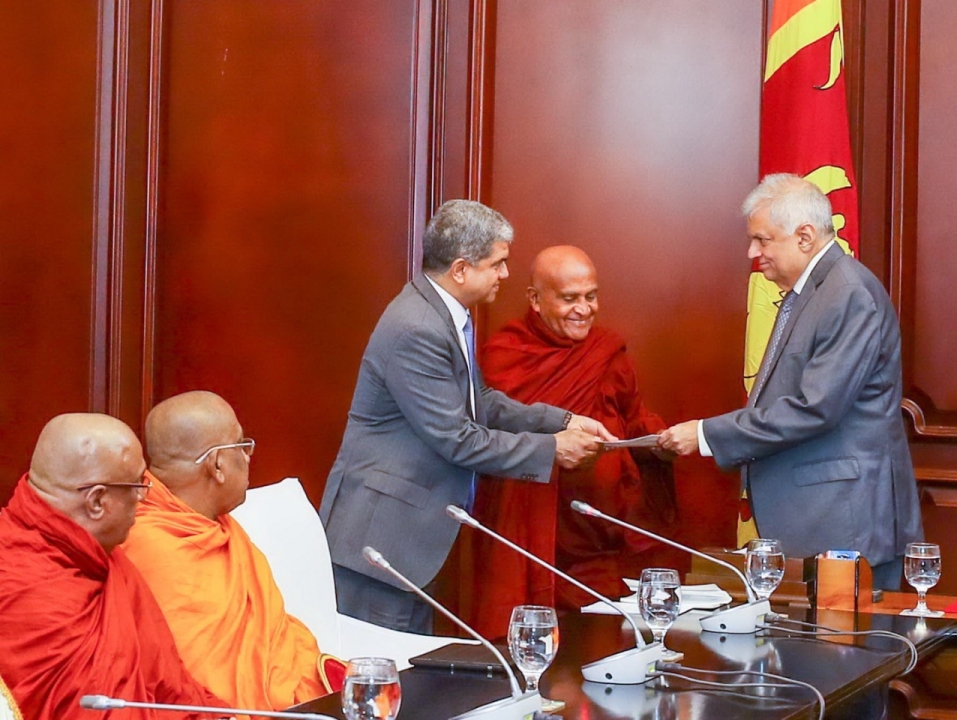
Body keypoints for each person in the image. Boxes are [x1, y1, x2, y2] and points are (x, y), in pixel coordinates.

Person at [320, 200, 615, 633]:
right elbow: (458, 437)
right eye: (497, 264)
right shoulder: (418, 327)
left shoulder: (443, 313)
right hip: (380, 543)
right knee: (382, 677)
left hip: (409, 539)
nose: (505, 275)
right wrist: (553, 449)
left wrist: (562, 422)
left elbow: (481, 401)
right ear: (461, 269)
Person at [659, 174, 923, 589]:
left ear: (804, 236)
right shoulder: (816, 291)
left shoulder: (847, 294)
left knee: (844, 650)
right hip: (817, 519)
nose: (753, 252)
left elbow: (815, 408)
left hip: (842, 523)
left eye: (763, 240)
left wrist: (706, 434)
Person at [466, 245, 676, 637]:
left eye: (590, 296)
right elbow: (488, 437)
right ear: (535, 299)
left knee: (597, 652)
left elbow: (632, 420)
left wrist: (658, 439)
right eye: (569, 298)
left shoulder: (608, 353)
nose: (584, 308)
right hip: (527, 539)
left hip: (595, 543)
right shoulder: (505, 355)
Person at [0, 414, 226, 720]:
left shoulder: (105, 557)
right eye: (137, 485)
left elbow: (170, 689)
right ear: (97, 502)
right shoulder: (23, 585)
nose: (144, 499)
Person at [121, 391, 325, 710]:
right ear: (217, 465)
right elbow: (197, 686)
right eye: (243, 446)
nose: (248, 457)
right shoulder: (153, 547)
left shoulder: (214, 523)